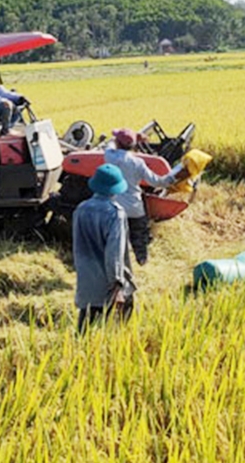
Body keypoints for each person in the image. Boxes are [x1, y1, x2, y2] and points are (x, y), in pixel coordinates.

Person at [104, 128, 183, 266]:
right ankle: (142, 262)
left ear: (118, 143)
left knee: (115, 240)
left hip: (115, 208)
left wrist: (131, 137)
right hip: (135, 208)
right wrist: (175, 176)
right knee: (139, 239)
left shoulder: (110, 156)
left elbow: (109, 143)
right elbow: (158, 182)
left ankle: (117, 266)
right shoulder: (138, 163)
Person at [72, 164, 135, 332]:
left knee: (86, 321)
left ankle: (77, 352)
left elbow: (76, 244)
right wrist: (117, 284)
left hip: (85, 275)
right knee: (111, 321)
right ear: (115, 189)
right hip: (106, 279)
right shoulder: (115, 213)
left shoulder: (81, 209)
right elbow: (114, 253)